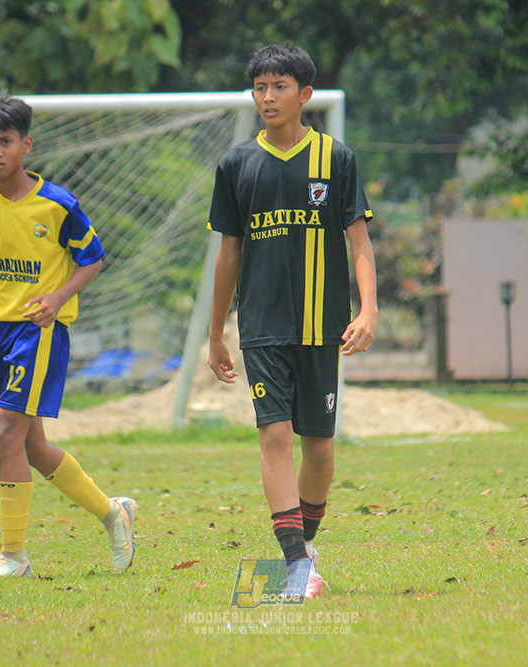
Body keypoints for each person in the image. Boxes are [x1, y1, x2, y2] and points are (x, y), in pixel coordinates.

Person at [207, 44, 378, 598]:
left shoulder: (337, 160)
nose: (267, 97)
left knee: (319, 448)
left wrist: (369, 309)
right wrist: (216, 333)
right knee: (274, 434)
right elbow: (228, 254)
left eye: (279, 87)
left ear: (304, 95)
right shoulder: (236, 165)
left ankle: (307, 544)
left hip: (321, 325)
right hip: (260, 325)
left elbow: (360, 244)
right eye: (259, 87)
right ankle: (296, 566)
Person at [0, 90, 137, 579]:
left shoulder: (57, 204)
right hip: (0, 332)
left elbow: (92, 259)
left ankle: (14, 558)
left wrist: (57, 297)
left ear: (26, 145)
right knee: (32, 447)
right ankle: (113, 512)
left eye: (5, 141)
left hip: (41, 331)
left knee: (5, 431)